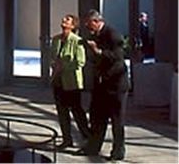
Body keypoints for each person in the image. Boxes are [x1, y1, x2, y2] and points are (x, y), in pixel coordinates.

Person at [78, 10, 129, 162]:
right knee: (97, 117)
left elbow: (118, 59)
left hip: (116, 85)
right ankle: (93, 147)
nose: (87, 27)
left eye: (89, 24)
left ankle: (118, 151)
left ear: (96, 21)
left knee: (116, 120)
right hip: (101, 85)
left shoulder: (113, 34)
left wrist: (98, 51)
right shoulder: (95, 36)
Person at [50, 14, 90, 150]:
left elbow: (80, 62)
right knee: (62, 112)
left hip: (72, 82)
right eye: (64, 18)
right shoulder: (55, 39)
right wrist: (54, 65)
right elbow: (52, 57)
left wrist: (64, 66)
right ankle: (67, 139)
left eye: (67, 19)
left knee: (77, 110)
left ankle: (87, 137)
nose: (64, 20)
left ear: (73, 26)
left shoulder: (77, 41)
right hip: (58, 81)